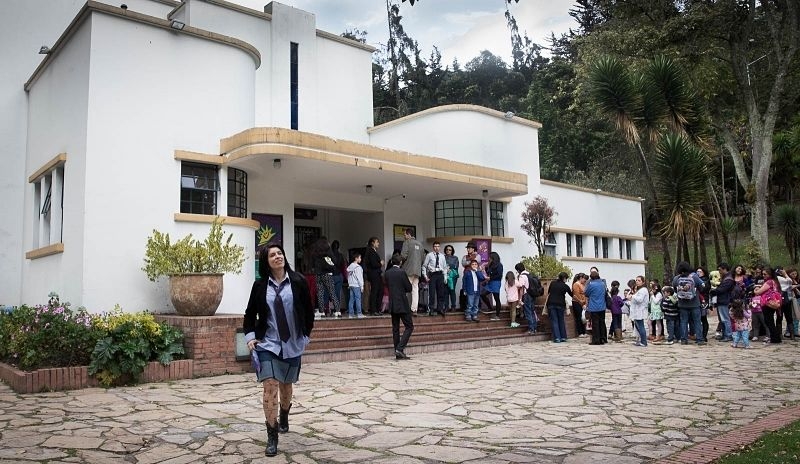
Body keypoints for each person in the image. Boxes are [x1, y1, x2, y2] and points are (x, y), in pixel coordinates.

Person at [243, 243, 315, 457]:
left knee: (286, 386)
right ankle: (271, 435)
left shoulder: (298, 282)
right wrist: (250, 337)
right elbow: (249, 316)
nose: (277, 257)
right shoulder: (259, 287)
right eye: (272, 255)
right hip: (268, 343)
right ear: (266, 261)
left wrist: (306, 336)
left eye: (280, 253)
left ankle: (284, 414)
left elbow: (309, 312)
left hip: (292, 344)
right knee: (270, 385)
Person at [385, 255, 414, 359]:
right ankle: (400, 348)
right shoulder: (401, 272)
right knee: (409, 326)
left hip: (392, 303)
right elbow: (409, 288)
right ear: (400, 262)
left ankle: (397, 350)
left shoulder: (387, 273)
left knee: (395, 328)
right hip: (402, 302)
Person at [672, 261, 707, 345]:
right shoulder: (694, 276)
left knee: (683, 321)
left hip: (682, 304)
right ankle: (699, 339)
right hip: (694, 303)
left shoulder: (676, 278)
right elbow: (702, 286)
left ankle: (684, 339)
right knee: (697, 321)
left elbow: (674, 289)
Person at [310, 238, 340, 317]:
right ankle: (337, 310)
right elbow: (334, 262)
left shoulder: (315, 253)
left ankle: (322, 311)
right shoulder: (328, 253)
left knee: (320, 293)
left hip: (318, 274)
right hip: (327, 274)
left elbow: (312, 264)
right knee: (332, 292)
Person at [754, 266, 782, 344]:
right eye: (763, 274)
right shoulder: (774, 281)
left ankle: (775, 338)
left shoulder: (769, 282)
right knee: (770, 321)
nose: (763, 276)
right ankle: (775, 337)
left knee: (769, 321)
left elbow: (758, 292)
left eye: (765, 274)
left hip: (768, 303)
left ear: (770, 274)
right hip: (772, 303)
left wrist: (755, 289)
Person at [400, 228, 425, 313]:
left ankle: (404, 308)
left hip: (408, 270)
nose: (404, 236)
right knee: (415, 289)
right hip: (417, 270)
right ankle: (414, 309)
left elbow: (403, 256)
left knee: (404, 289)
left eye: (405, 235)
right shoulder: (420, 244)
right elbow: (423, 258)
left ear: (408, 235)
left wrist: (400, 263)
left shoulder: (406, 242)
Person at [710, 262, 735, 343]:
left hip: (724, 301)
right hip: (722, 301)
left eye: (720, 270)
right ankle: (724, 334)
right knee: (722, 319)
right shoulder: (726, 278)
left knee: (725, 319)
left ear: (724, 269)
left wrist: (714, 290)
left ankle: (728, 335)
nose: (719, 272)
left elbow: (722, 290)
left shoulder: (728, 280)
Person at [422, 241, 448, 316]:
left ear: (440, 247)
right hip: (432, 275)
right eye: (435, 246)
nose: (436, 248)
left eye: (438, 246)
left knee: (441, 293)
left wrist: (445, 277)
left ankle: (440, 308)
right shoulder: (429, 255)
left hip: (440, 274)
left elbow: (445, 267)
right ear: (433, 247)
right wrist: (425, 276)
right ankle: (431, 309)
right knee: (432, 293)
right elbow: (424, 266)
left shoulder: (442, 256)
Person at [546, 271, 573, 343]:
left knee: (554, 321)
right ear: (564, 278)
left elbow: (549, 292)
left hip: (551, 303)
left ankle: (557, 338)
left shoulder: (553, 283)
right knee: (561, 320)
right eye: (566, 279)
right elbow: (572, 294)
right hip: (561, 304)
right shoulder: (565, 286)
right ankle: (563, 337)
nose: (566, 280)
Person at [584, 270, 608, 345]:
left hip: (594, 306)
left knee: (595, 324)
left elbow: (586, 293)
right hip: (602, 306)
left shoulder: (591, 285)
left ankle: (596, 340)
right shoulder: (602, 284)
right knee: (602, 322)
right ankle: (603, 339)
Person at [364, 237, 384, 316]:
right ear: (372, 243)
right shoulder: (371, 252)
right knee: (375, 291)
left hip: (376, 274)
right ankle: (373, 310)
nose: (378, 244)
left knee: (380, 291)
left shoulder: (373, 251)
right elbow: (374, 264)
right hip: (374, 274)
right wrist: (381, 263)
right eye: (377, 242)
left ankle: (377, 309)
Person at [515, 263, 537, 334]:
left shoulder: (522, 276)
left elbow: (521, 288)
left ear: (518, 270)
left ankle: (531, 329)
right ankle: (534, 328)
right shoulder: (530, 274)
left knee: (528, 312)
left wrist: (520, 299)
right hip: (532, 294)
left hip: (526, 295)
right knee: (532, 311)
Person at [628, 275, 649, 347]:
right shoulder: (638, 290)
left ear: (643, 282)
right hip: (636, 310)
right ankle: (640, 340)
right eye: (636, 280)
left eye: (639, 280)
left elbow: (640, 299)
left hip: (640, 310)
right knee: (637, 326)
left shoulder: (643, 290)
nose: (637, 281)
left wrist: (633, 296)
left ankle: (644, 341)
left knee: (640, 326)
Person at [481, 252, 503, 320]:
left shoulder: (499, 265)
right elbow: (488, 274)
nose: (489, 259)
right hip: (490, 282)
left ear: (493, 258)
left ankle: (497, 315)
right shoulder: (490, 265)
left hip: (496, 282)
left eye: (490, 257)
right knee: (482, 294)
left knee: (496, 298)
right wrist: (484, 268)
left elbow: (499, 275)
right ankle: (490, 308)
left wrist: (490, 278)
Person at [346, 253, 364, 318]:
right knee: (358, 299)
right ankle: (359, 313)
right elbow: (360, 277)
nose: (360, 259)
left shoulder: (350, 266)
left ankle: (351, 314)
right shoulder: (358, 267)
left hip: (351, 285)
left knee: (351, 299)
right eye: (360, 258)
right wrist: (362, 286)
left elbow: (348, 276)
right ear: (356, 258)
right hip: (356, 285)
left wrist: (349, 284)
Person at [443, 245, 460, 311]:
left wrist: (448, 267)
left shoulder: (455, 258)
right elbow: (441, 265)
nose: (448, 251)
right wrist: (445, 269)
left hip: (452, 276)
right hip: (444, 275)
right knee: (445, 291)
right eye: (447, 249)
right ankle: (446, 307)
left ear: (452, 251)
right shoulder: (443, 257)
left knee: (452, 291)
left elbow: (456, 266)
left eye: (450, 250)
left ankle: (453, 306)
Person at [572, 273, 588, 338]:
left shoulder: (583, 285)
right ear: (581, 278)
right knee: (579, 317)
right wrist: (582, 304)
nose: (585, 281)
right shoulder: (576, 284)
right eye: (584, 279)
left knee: (583, 318)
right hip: (577, 302)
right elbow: (577, 295)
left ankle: (584, 332)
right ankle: (580, 332)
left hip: (583, 303)